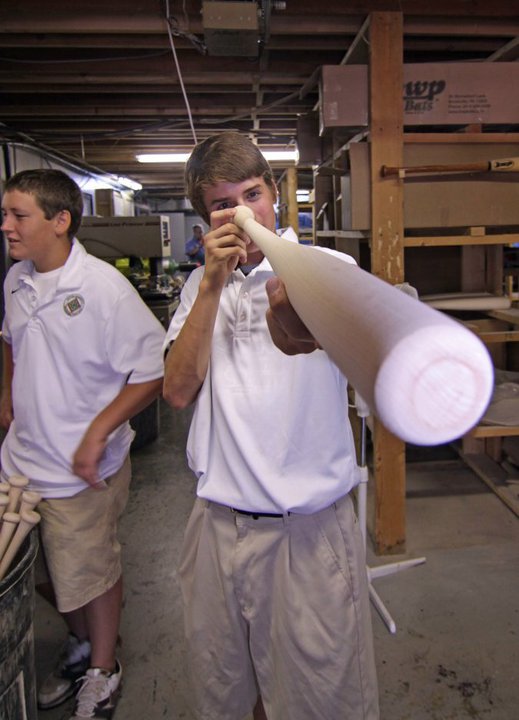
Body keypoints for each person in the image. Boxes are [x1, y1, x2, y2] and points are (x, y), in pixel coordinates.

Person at [163, 132, 379, 720]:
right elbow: (178, 390)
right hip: (217, 527)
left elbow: (299, 340)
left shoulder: (327, 268)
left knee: (320, 700)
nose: (241, 214)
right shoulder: (197, 286)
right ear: (204, 217)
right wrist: (210, 281)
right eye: (221, 204)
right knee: (227, 696)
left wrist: (288, 303)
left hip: (304, 533)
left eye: (252, 194)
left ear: (274, 196)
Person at [0, 169, 165, 720]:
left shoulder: (102, 289)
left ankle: (103, 668)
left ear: (60, 220)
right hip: (21, 462)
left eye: (18, 215)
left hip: (81, 472)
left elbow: (151, 372)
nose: (6, 226)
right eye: (6, 214)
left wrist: (98, 431)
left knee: (91, 574)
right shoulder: (17, 280)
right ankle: (80, 641)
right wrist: (7, 396)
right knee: (39, 571)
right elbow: (9, 339)